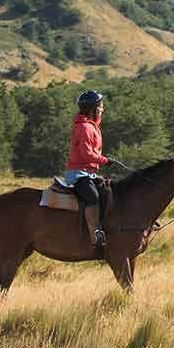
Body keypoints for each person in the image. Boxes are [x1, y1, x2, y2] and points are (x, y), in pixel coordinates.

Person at [64, 90, 110, 249]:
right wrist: (105, 160)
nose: (103, 109)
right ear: (93, 109)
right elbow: (86, 154)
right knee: (93, 197)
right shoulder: (84, 128)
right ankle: (94, 234)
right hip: (78, 174)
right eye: (101, 106)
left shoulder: (91, 127)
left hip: (88, 173)